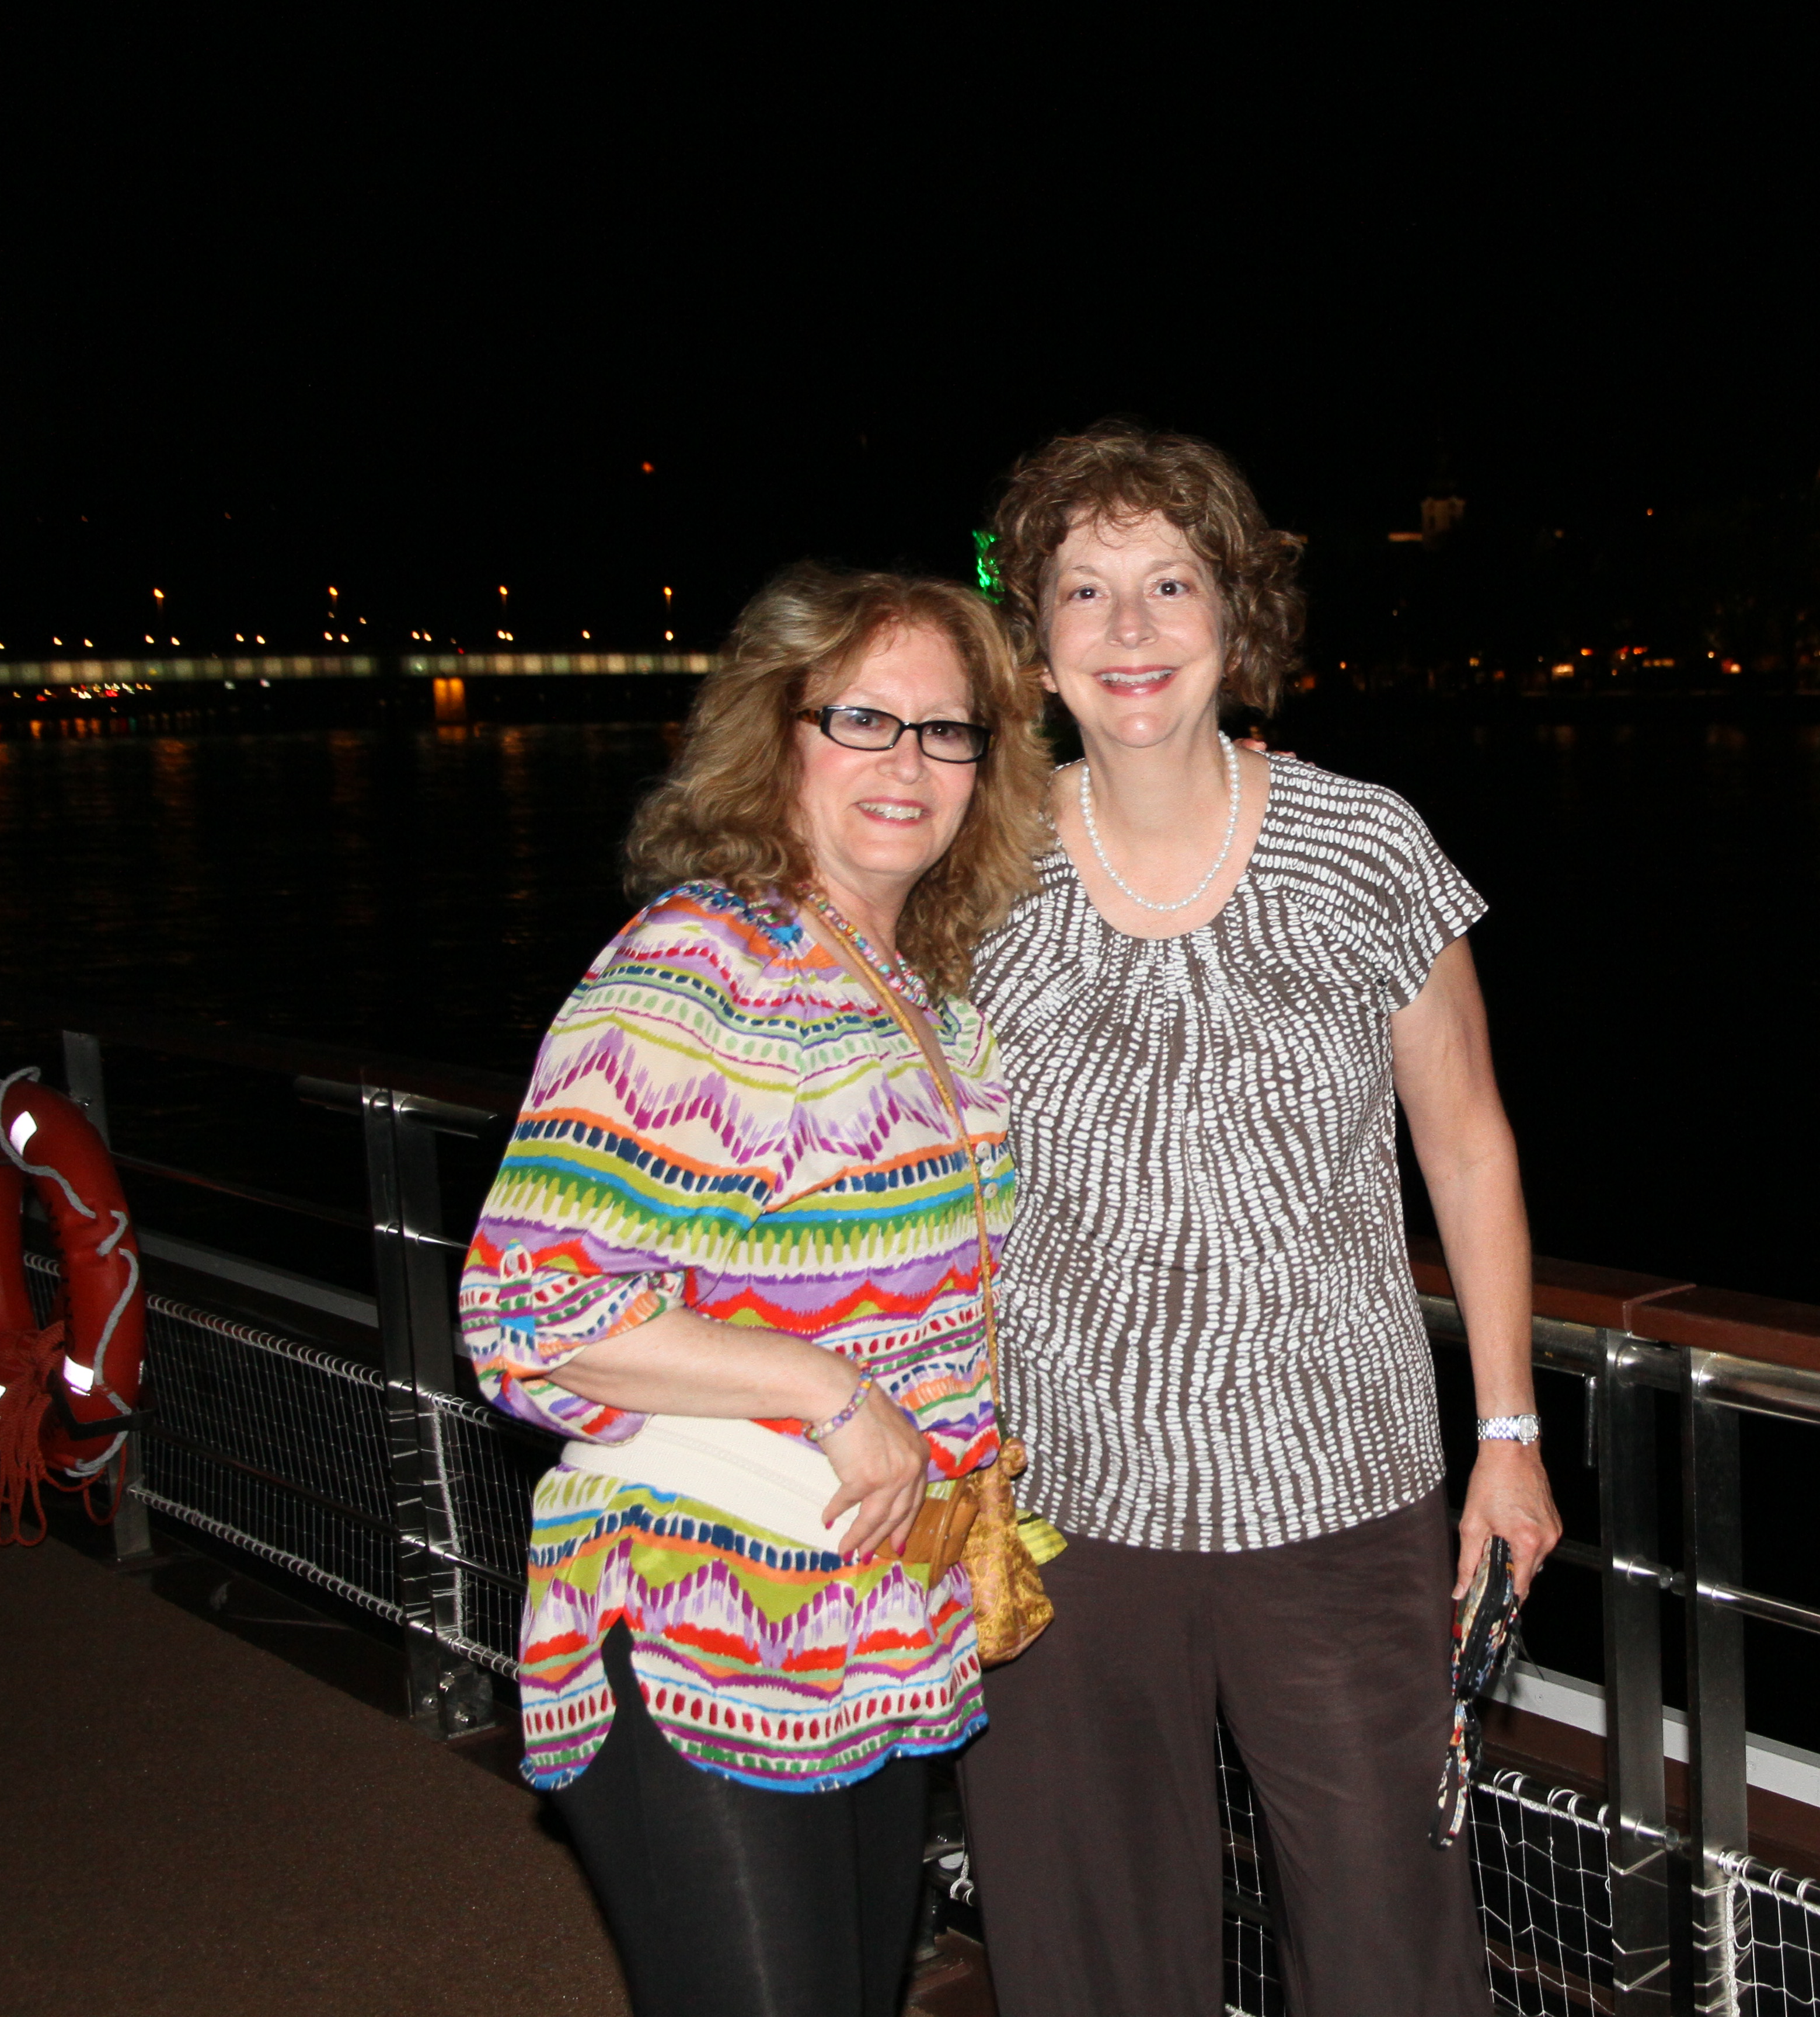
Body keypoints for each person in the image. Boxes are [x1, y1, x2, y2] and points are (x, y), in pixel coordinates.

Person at [958, 423, 1563, 2017]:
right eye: (1085, 591)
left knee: (1388, 1952)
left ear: (1242, 613)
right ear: (1034, 638)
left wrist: (1509, 1433)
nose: (1132, 629)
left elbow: (1471, 1145)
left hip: (1338, 1502)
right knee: (1090, 1959)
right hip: (1058, 1506)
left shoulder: (1367, 846)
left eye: (1172, 582)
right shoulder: (975, 868)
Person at [456, 563, 1050, 2017]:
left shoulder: (927, 990)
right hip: (697, 1606)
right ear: (776, 735)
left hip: (869, 1628)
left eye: (947, 729)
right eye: (864, 720)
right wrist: (828, 1392)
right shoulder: (698, 964)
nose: (909, 763)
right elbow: (526, 1311)